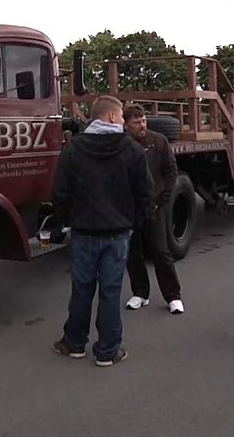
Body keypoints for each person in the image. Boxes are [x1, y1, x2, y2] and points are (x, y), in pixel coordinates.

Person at [52, 95, 152, 367]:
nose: (122, 120)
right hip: (118, 233)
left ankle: (74, 344)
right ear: (110, 117)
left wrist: (68, 220)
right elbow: (145, 194)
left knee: (82, 289)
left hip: (84, 231)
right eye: (120, 116)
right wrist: (134, 224)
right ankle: (108, 351)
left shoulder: (73, 149)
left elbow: (60, 192)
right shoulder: (132, 150)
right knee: (111, 291)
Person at [121, 103, 184, 314]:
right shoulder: (121, 145)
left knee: (161, 251)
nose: (142, 125)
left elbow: (171, 172)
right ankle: (140, 293)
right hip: (129, 209)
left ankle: (174, 296)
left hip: (154, 206)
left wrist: (161, 200)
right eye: (137, 122)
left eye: (144, 120)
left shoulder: (159, 141)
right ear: (126, 125)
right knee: (133, 252)